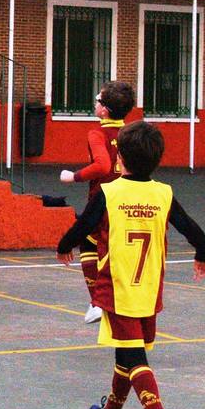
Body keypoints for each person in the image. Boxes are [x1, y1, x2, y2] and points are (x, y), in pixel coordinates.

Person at [57, 120, 205, 409]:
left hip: (118, 286)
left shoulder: (109, 194)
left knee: (134, 357)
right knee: (125, 354)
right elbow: (189, 227)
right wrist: (202, 253)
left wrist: (64, 244)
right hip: (149, 290)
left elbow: (83, 225)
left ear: (119, 159)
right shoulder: (163, 193)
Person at [60, 81, 136, 324]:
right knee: (113, 249)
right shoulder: (131, 133)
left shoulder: (97, 133)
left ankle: (98, 302)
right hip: (129, 196)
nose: (94, 103)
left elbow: (102, 165)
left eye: (97, 100)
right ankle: (118, 299)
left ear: (104, 110)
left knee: (88, 245)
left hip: (103, 201)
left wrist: (74, 176)